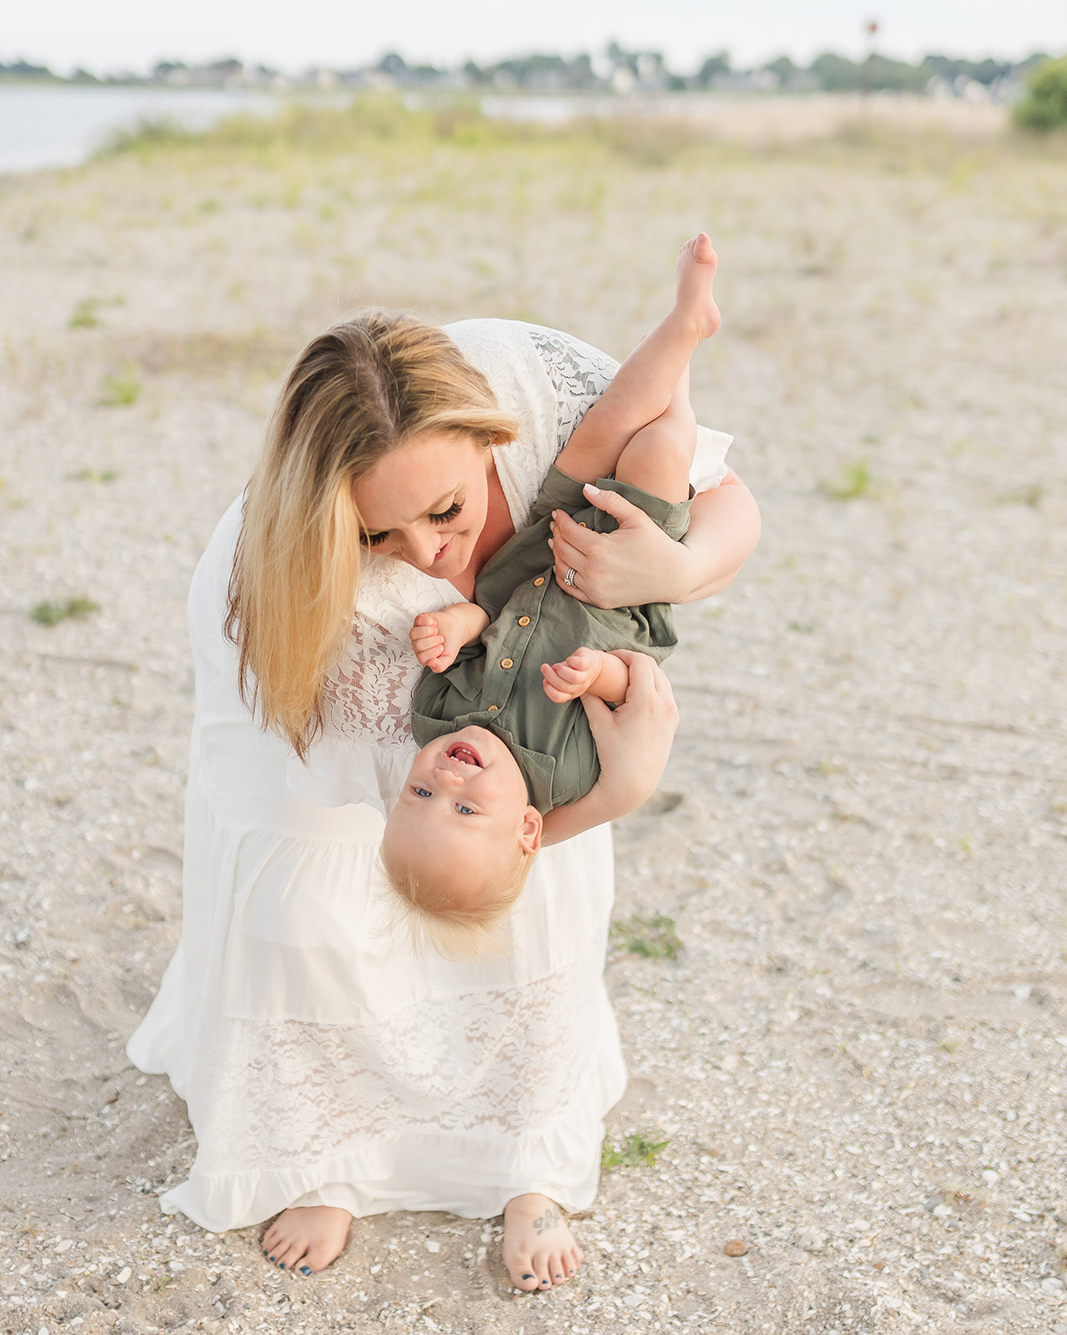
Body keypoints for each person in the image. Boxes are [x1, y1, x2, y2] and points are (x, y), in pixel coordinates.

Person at [127, 288, 760, 1292]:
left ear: (489, 437)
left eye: (448, 510)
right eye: (380, 534)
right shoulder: (288, 578)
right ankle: (326, 1150)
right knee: (313, 903)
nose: (427, 552)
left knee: (520, 886)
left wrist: (673, 571)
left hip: (503, 692)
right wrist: (601, 794)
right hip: (329, 667)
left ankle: (526, 1157)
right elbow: (384, 809)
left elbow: (725, 497)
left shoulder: (537, 390)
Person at [386, 234, 721, 952]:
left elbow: (480, 628)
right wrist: (593, 675)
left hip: (543, 544)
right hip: (620, 586)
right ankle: (682, 373)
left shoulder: (433, 719)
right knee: (660, 450)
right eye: (467, 810)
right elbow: (636, 685)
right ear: (528, 829)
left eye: (419, 795)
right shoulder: (566, 772)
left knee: (605, 426)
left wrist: (457, 625)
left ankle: (682, 328)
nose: (447, 780)